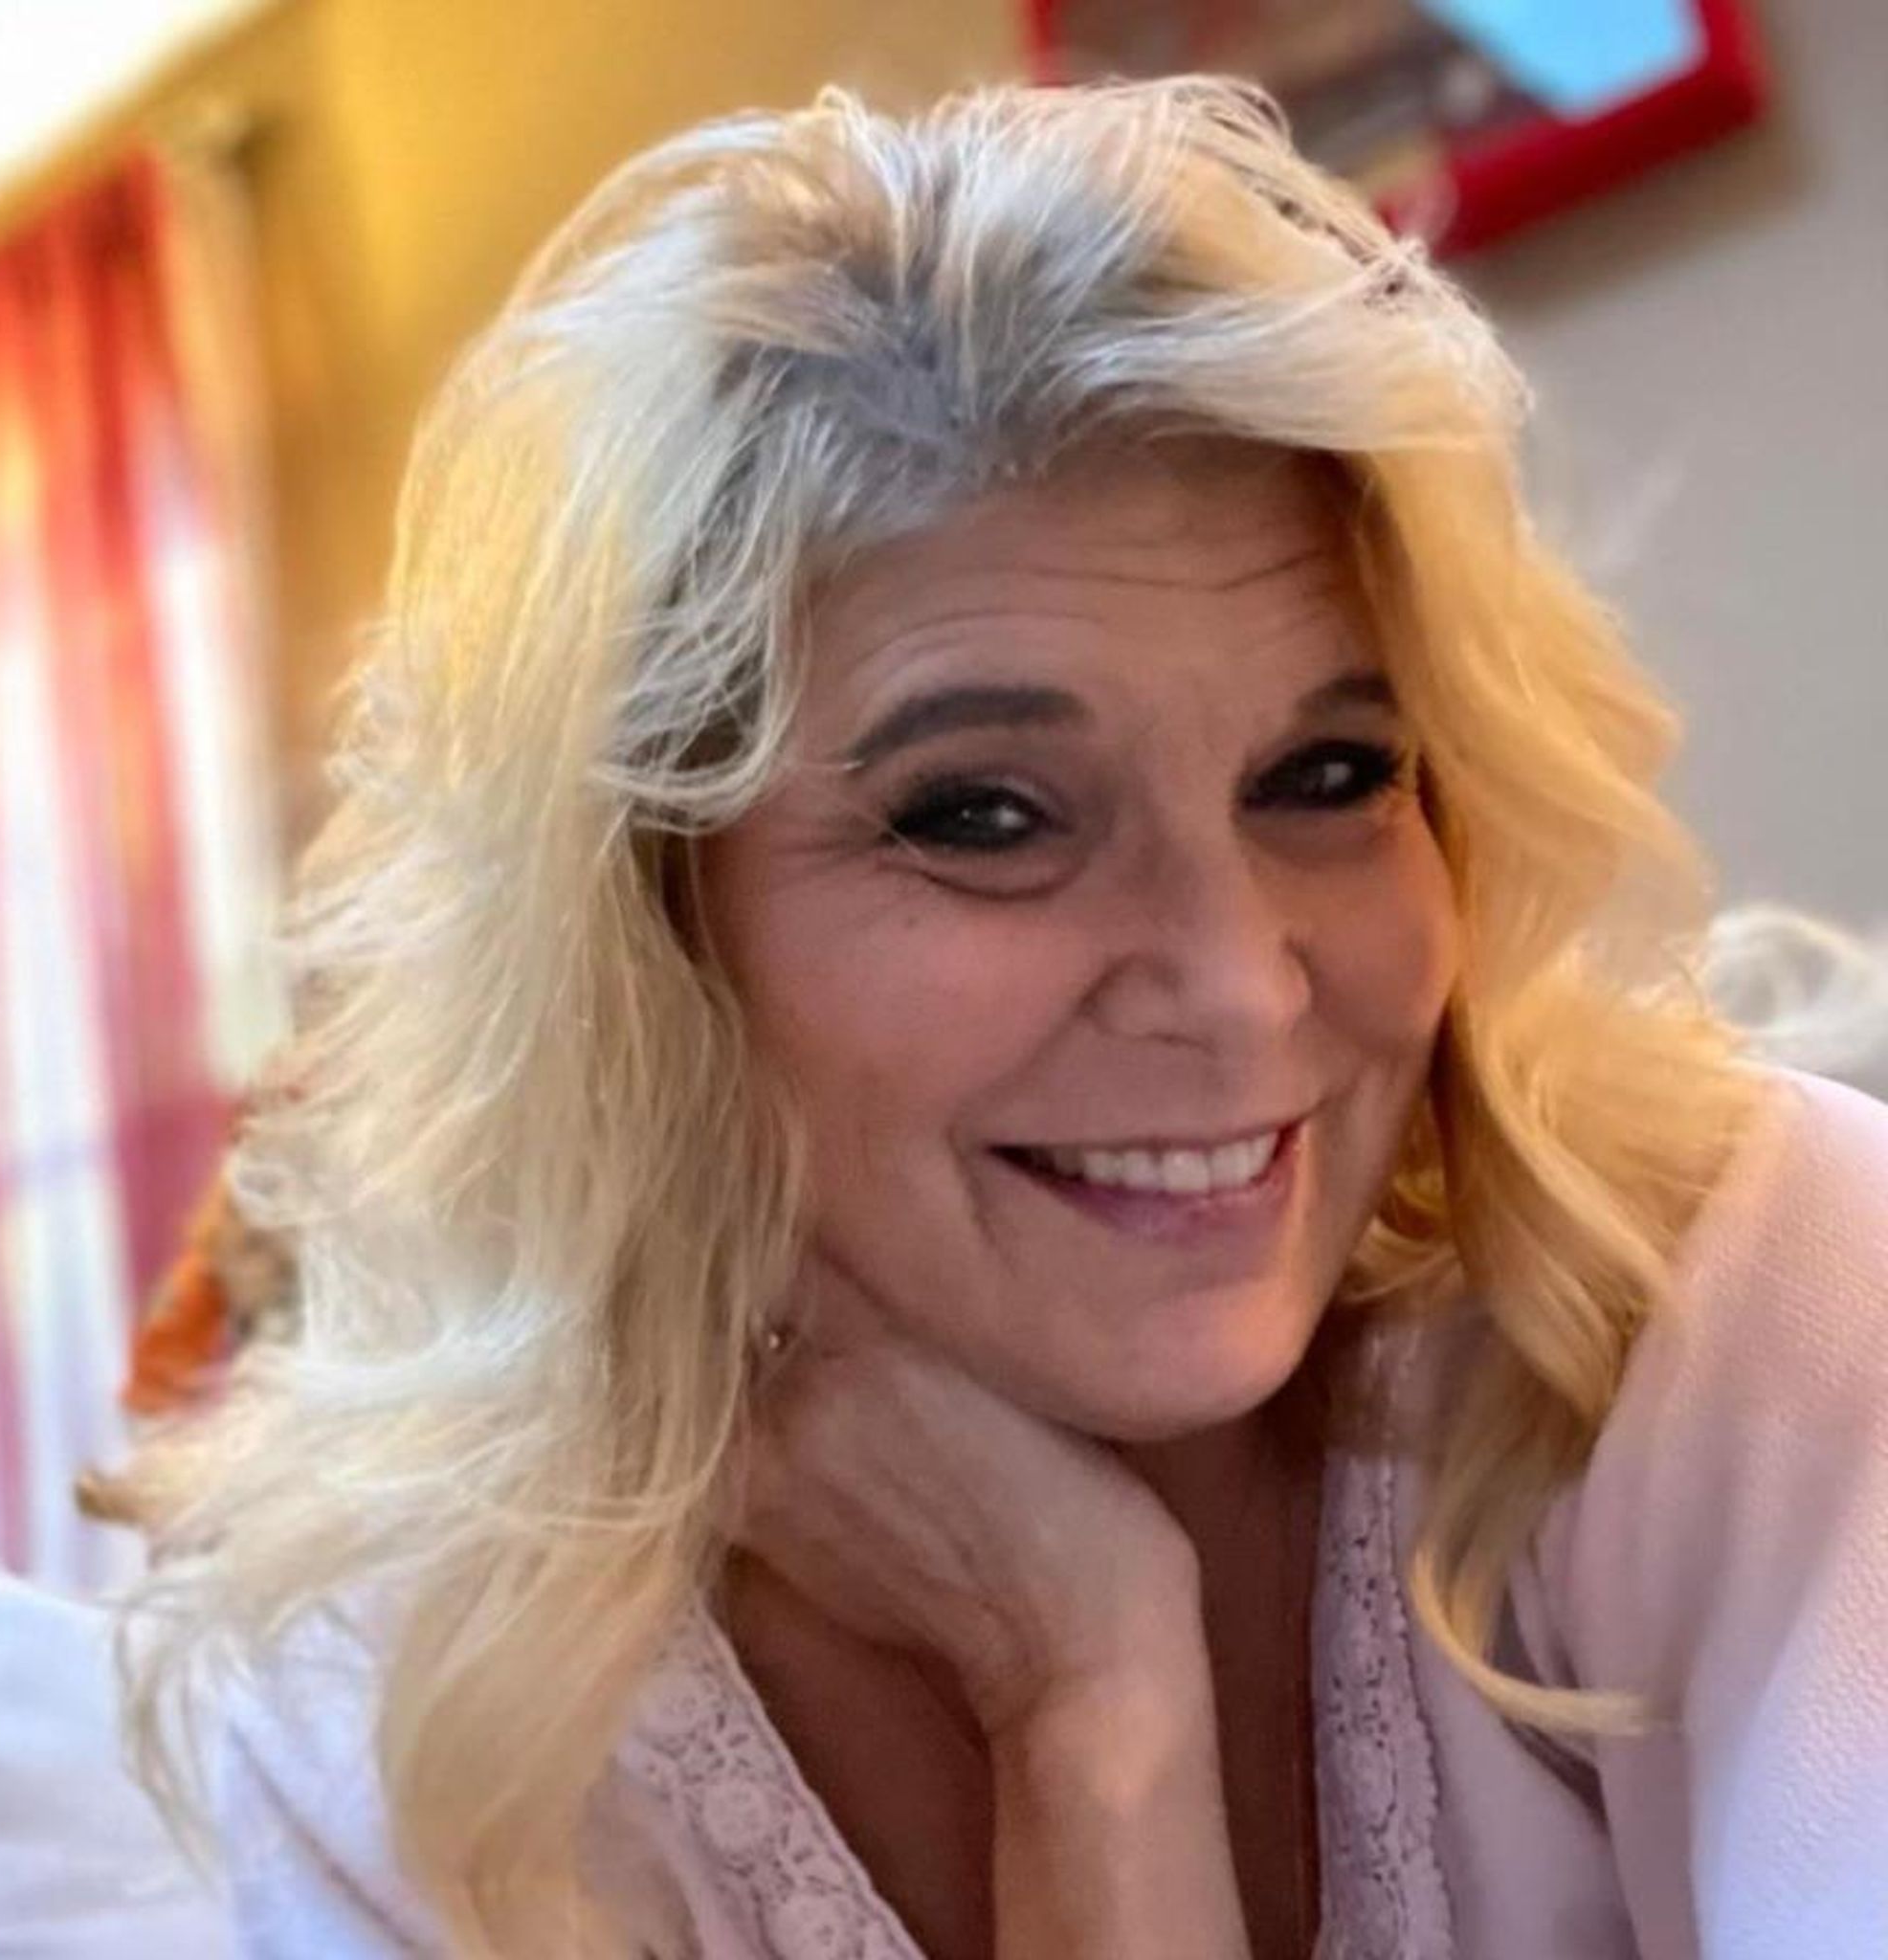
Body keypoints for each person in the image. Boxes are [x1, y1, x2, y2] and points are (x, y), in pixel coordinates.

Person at [120, 78, 1888, 1960]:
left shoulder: (1736, 1298)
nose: (1235, 981)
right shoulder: (422, 1717)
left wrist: (1084, 1713)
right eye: (983, 816)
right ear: (650, 918)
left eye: (1329, 775)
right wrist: (1094, 1697)